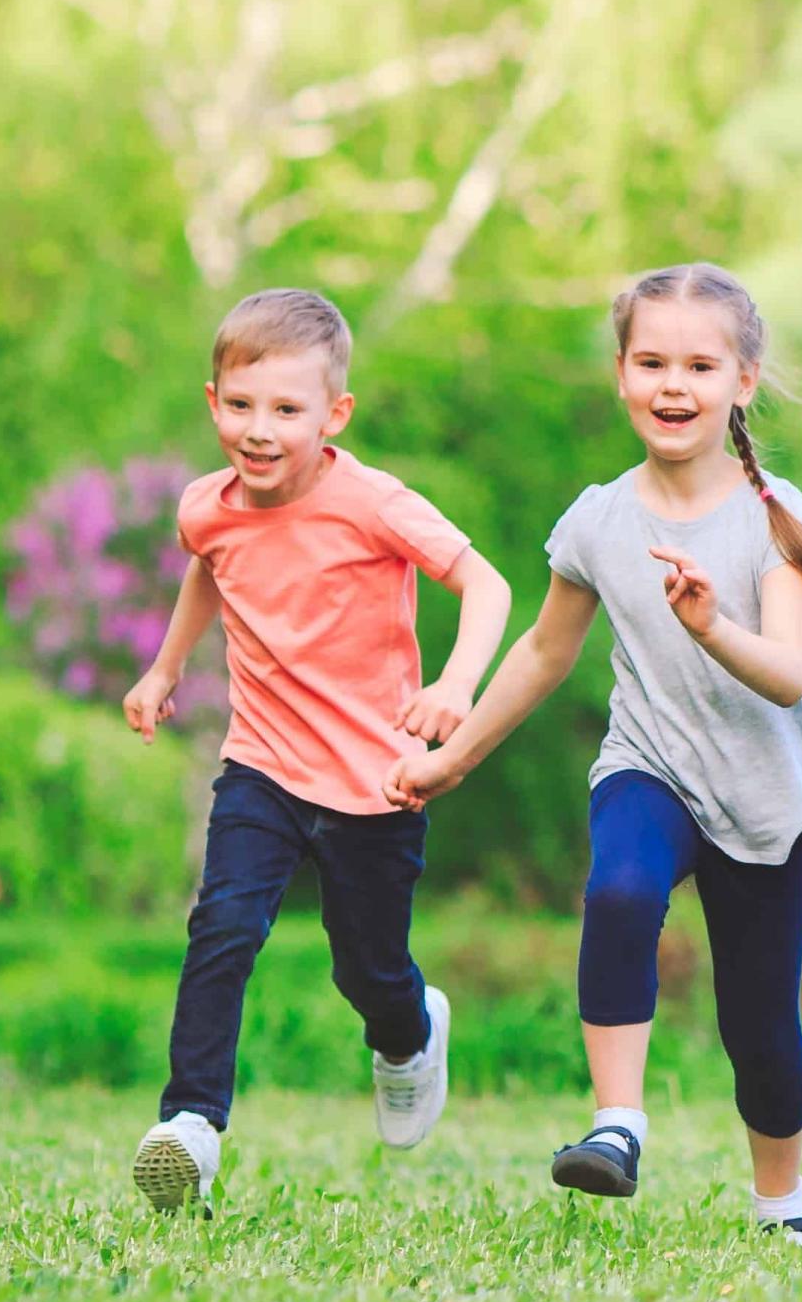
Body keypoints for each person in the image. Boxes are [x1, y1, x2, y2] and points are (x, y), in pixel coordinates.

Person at [394, 264, 802, 1238]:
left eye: (700, 365)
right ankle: (617, 1126)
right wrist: (453, 757)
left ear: (744, 380)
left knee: (762, 1032)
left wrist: (710, 625)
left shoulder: (775, 512)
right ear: (620, 374)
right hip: (649, 766)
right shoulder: (600, 519)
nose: (673, 384)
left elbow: (789, 674)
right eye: (651, 362)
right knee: (620, 891)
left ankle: (782, 1204)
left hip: (764, 799)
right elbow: (544, 651)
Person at [122, 288, 512, 1212]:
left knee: (365, 966)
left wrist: (455, 686)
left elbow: (486, 584)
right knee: (223, 926)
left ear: (333, 415)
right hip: (261, 762)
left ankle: (409, 1034)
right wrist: (165, 667)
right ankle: (191, 1123)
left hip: (377, 776)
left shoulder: (372, 502)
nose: (259, 430)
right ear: (213, 401)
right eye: (240, 404)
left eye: (286, 409)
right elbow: (209, 567)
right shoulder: (206, 506)